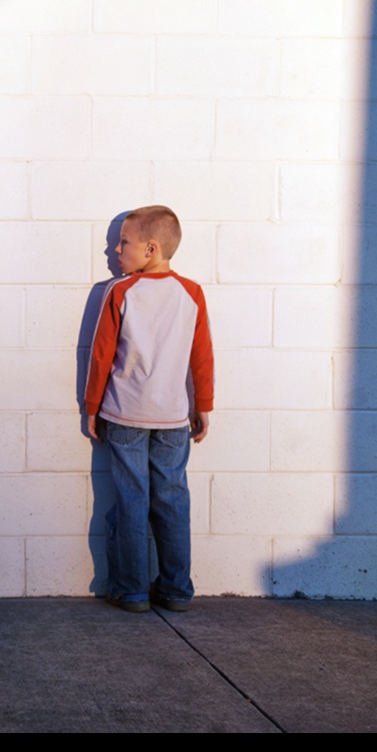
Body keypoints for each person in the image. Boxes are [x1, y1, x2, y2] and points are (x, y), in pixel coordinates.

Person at [84, 206, 213, 613]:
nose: (115, 251)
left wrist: (91, 406)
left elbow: (101, 355)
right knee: (173, 500)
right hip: (174, 418)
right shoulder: (190, 293)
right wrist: (203, 405)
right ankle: (176, 589)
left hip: (124, 416)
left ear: (151, 248)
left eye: (123, 243)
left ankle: (131, 589)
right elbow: (202, 356)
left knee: (131, 500)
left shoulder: (120, 291)